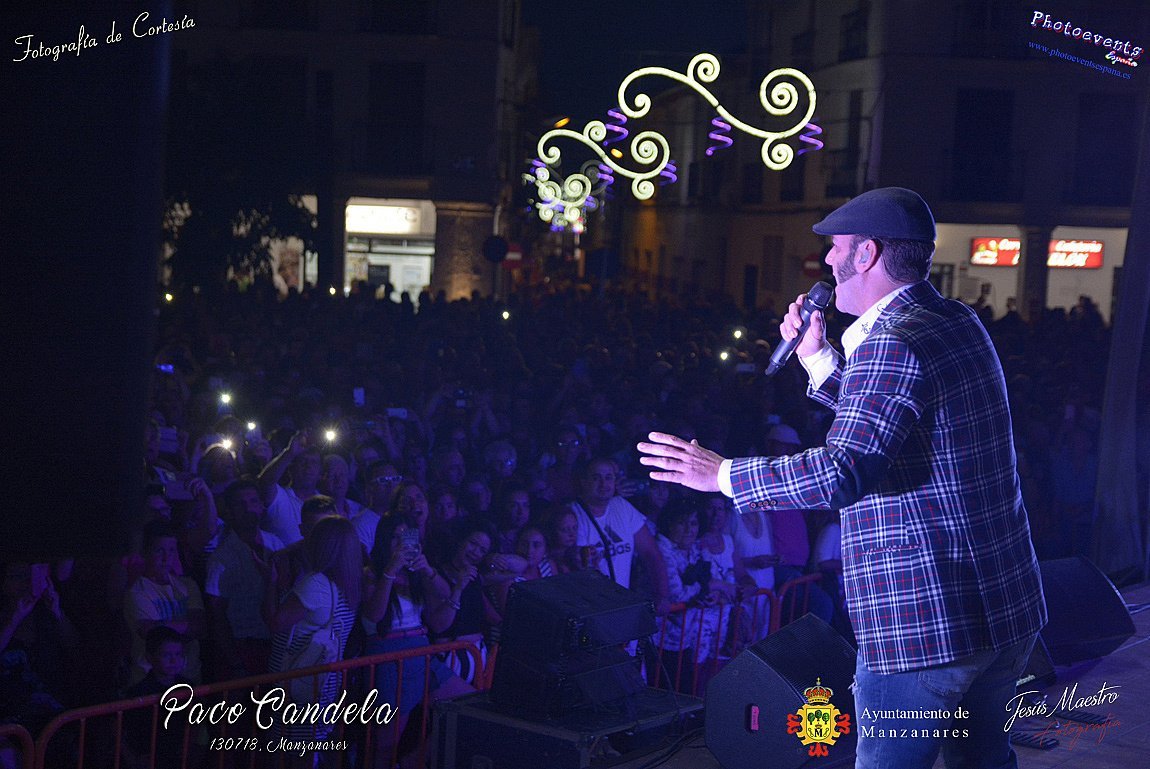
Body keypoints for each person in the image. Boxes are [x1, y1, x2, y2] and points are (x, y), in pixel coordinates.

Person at [638, 187, 1046, 769]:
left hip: (925, 624)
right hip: (1002, 608)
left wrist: (723, 474)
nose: (826, 261)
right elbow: (892, 423)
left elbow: (842, 470)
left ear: (867, 253)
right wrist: (818, 356)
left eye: (835, 248)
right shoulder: (953, 320)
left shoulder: (891, 342)